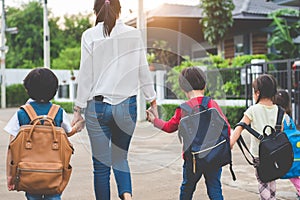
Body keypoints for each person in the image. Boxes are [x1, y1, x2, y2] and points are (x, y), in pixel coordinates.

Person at [71, 0, 157, 199]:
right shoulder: (134, 34)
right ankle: (127, 196)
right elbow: (142, 70)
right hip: (127, 106)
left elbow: (86, 75)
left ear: (96, 10)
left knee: (101, 167)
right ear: (119, 10)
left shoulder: (89, 36)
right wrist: (152, 101)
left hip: (97, 107)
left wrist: (78, 109)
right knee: (120, 157)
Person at [147, 67, 230, 200]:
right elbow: (226, 126)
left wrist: (153, 120)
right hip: (213, 155)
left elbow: (169, 127)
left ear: (183, 88)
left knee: (187, 188)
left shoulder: (184, 109)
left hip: (193, 159)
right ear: (204, 84)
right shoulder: (211, 103)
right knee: (214, 188)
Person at [5, 67, 84, 200]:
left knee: (32, 196)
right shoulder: (58, 112)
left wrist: (10, 175)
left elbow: (11, 147)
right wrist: (79, 126)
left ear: (28, 90)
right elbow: (68, 133)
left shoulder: (21, 113)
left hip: (29, 172)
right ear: (54, 91)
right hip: (55, 172)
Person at [230, 74, 279, 200]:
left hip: (259, 155)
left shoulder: (253, 110)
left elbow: (239, 127)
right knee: (272, 180)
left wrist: (230, 143)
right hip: (275, 154)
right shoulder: (279, 111)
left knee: (263, 182)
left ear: (257, 93)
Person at [274, 90, 300, 200]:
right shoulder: (288, 118)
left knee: (292, 174)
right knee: (295, 172)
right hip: (295, 151)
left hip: (287, 151)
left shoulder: (279, 117)